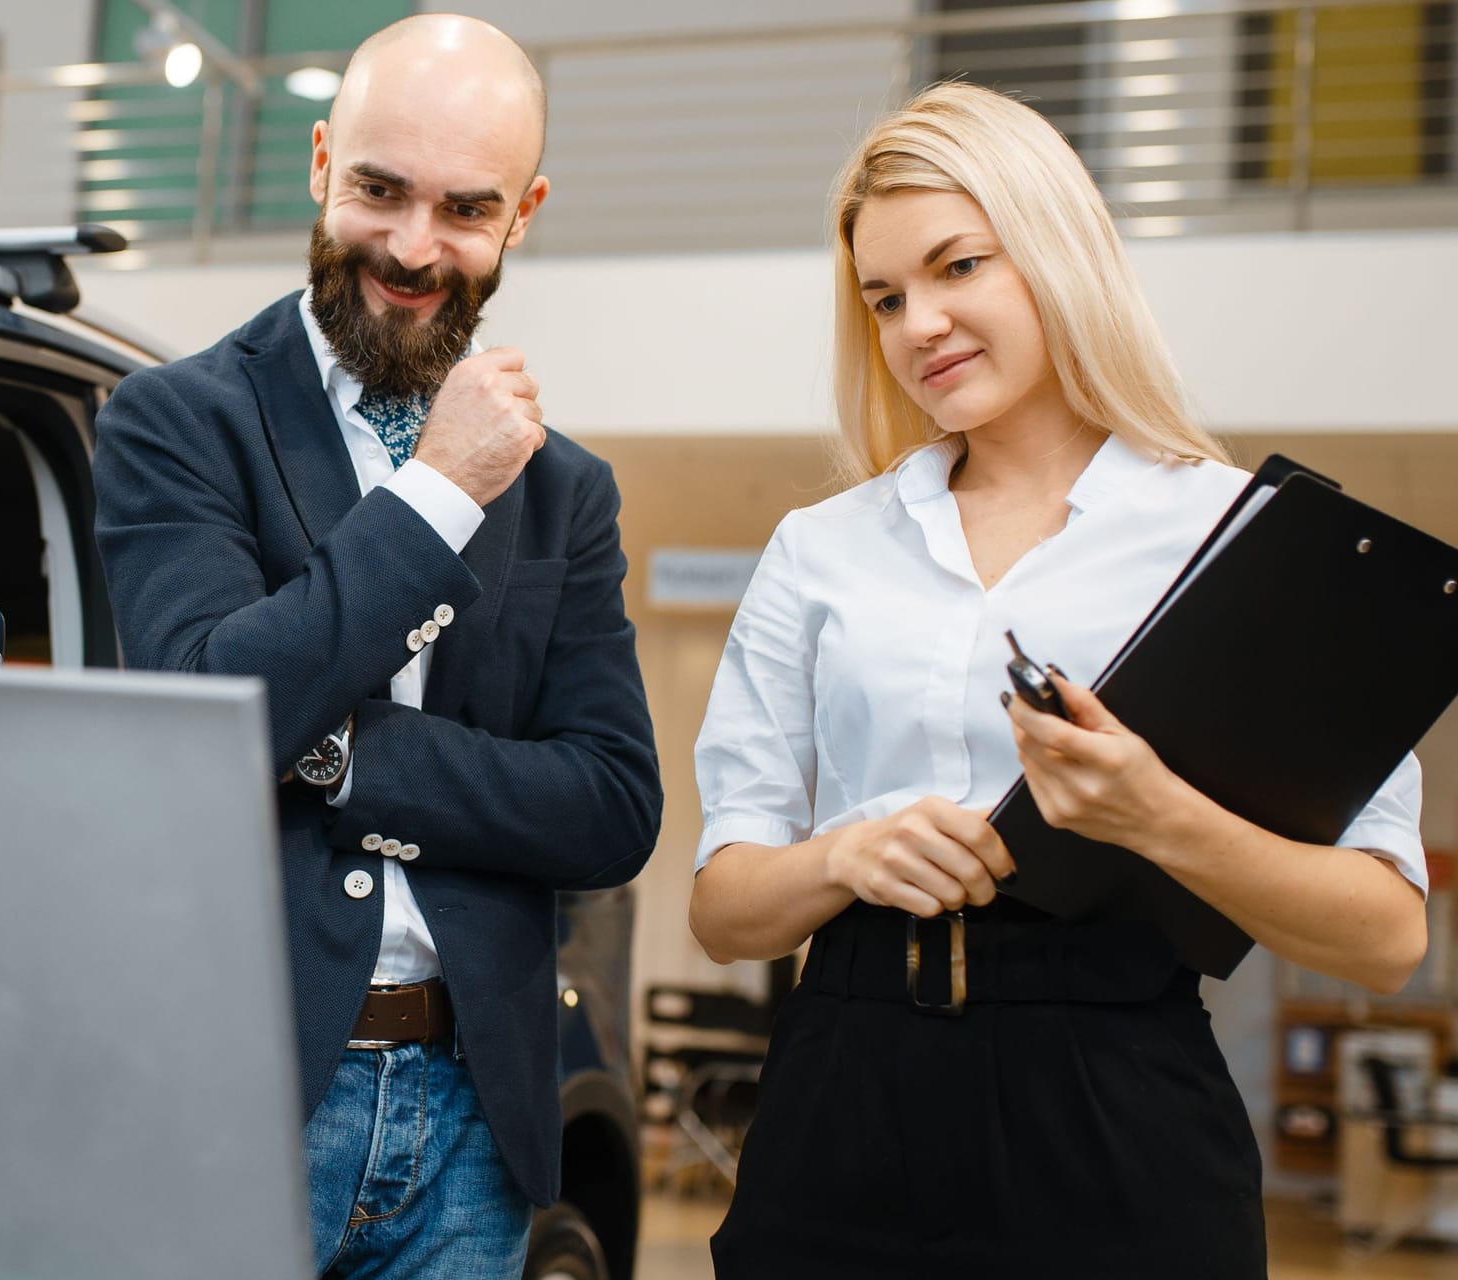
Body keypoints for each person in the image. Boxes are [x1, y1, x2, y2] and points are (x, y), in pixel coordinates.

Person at [689, 81, 1427, 1277]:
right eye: (885, 297)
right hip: (843, 1086)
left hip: (1117, 1103)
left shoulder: (1235, 539)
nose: (919, 322)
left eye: (958, 265)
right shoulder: (820, 546)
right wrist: (844, 854)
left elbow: (1388, 933)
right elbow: (723, 910)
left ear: (1053, 252)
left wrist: (1156, 813)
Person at [90, 14, 661, 1279]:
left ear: (526, 213)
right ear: (317, 165)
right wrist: (439, 492)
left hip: (473, 1116)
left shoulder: (569, 492)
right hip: (237, 1100)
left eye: (465, 208)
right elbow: (207, 717)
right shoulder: (177, 420)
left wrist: (337, 753)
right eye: (379, 190)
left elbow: (613, 806)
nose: (412, 248)